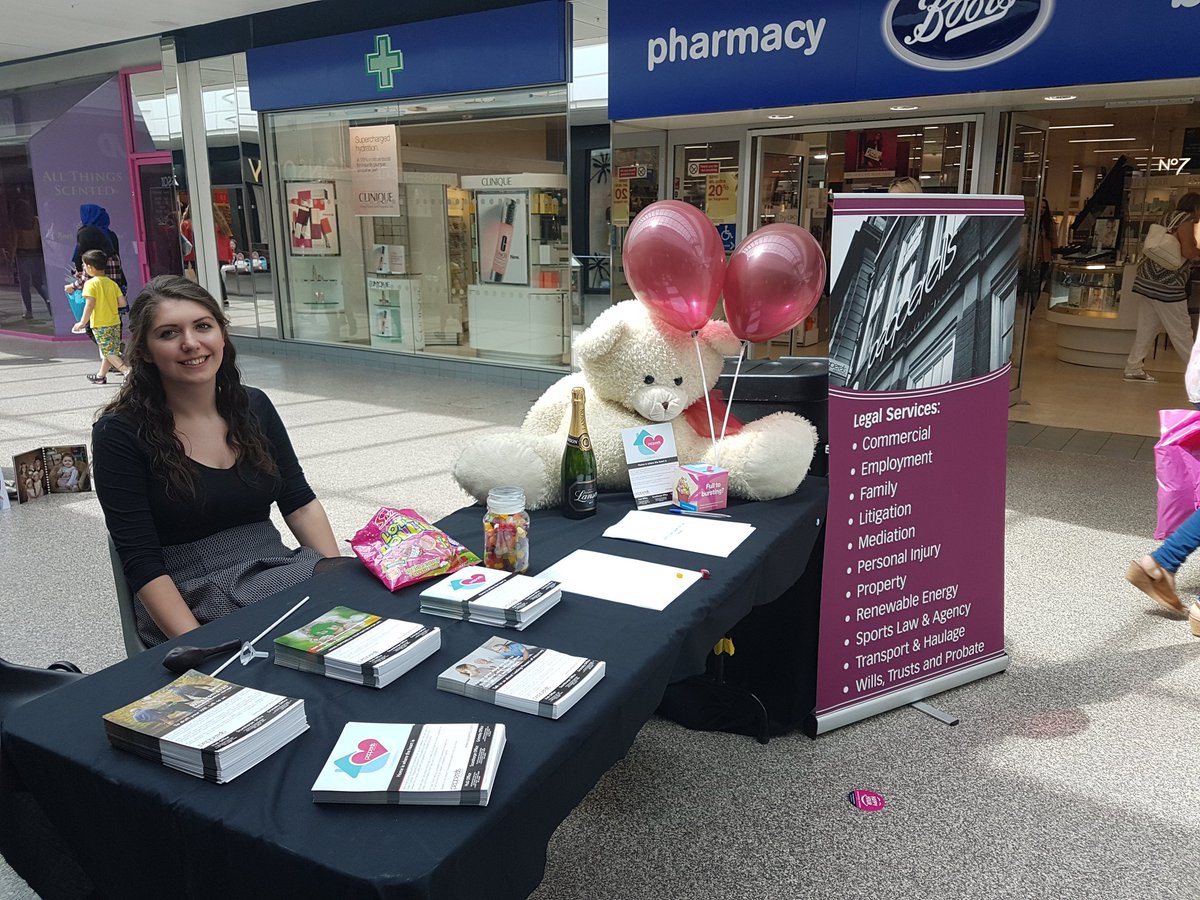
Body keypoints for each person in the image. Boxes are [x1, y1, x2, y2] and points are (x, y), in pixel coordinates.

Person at [92, 275, 346, 647]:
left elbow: (300, 501)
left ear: (222, 335)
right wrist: (199, 649)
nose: (190, 343)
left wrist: (336, 583)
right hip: (191, 592)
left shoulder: (253, 406)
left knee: (362, 583)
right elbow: (141, 561)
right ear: (144, 351)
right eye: (168, 333)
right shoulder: (119, 434)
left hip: (273, 569)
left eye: (203, 326)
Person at [1123, 192, 1200, 383]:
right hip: (1167, 285)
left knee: (1147, 327)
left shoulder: (1167, 216)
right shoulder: (1187, 220)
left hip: (1147, 278)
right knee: (1181, 331)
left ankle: (1133, 367)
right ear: (1196, 208)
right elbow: (1189, 251)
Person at [71, 249, 130, 384]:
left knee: (108, 352)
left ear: (90, 267)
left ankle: (127, 372)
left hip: (100, 324)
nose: (84, 268)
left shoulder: (90, 284)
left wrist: (82, 322)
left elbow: (89, 305)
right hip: (114, 322)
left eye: (84, 266)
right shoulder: (111, 283)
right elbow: (122, 303)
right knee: (109, 350)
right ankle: (101, 376)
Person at [9, 193, 51, 319]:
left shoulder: (17, 224)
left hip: (22, 255)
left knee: (25, 285)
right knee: (39, 282)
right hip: (37, 253)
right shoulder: (36, 221)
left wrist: (11, 259)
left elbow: (15, 243)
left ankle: (29, 311)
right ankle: (48, 299)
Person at [1034, 199, 1056, 310]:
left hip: (1044, 258)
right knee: (1032, 283)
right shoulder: (1031, 221)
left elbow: (1053, 240)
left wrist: (1054, 255)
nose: (1042, 210)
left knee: (1038, 284)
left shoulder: (1049, 223)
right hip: (1033, 256)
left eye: (1044, 207)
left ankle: (1033, 306)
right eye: (1040, 207)